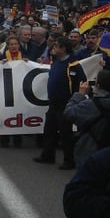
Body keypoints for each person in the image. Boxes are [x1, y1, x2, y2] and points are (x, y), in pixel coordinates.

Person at [34, 36, 87, 170]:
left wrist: (74, 102)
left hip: (65, 104)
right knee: (49, 130)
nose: (54, 48)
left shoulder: (73, 66)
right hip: (54, 103)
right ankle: (48, 155)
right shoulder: (56, 62)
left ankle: (69, 160)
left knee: (65, 133)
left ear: (63, 49)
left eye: (57, 46)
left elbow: (81, 84)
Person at [65, 69, 110, 168]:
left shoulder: (91, 104)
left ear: (98, 85)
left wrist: (80, 94)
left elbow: (69, 113)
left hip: (90, 149)